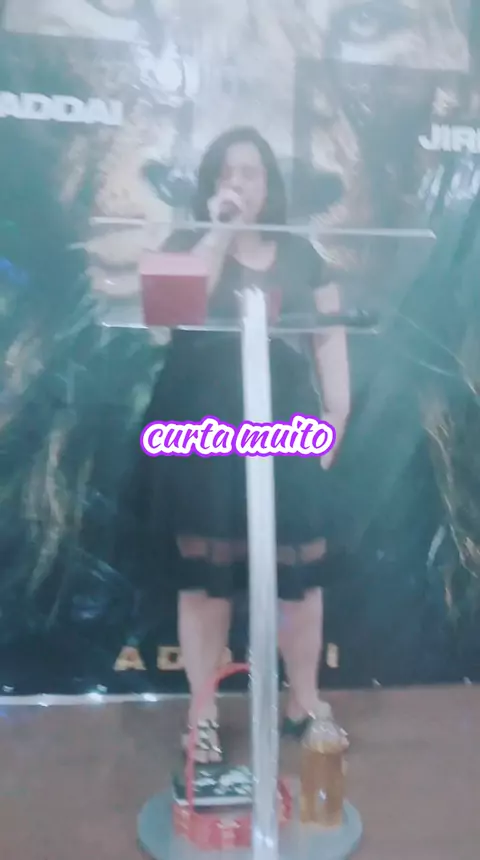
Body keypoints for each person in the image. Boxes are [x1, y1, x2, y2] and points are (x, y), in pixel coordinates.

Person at [117, 126, 350, 764]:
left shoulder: (300, 253)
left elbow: (329, 332)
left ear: (269, 184)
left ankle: (304, 701)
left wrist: (338, 409)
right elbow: (171, 314)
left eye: (250, 172)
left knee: (300, 565)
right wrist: (218, 231)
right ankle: (203, 714)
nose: (238, 183)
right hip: (201, 420)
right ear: (209, 184)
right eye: (226, 172)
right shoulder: (185, 243)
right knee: (207, 567)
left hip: (283, 419)